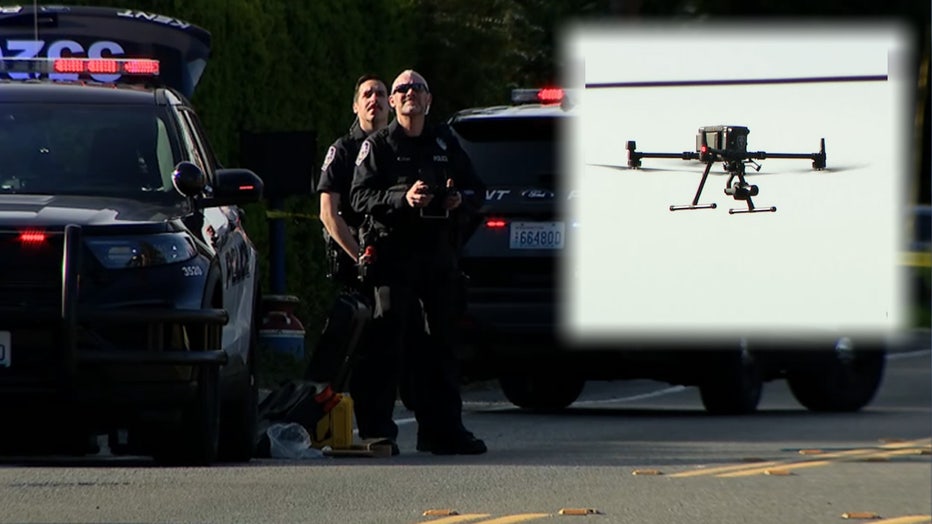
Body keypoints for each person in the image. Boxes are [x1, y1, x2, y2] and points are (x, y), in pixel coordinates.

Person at [350, 69, 487, 455]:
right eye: (402, 89)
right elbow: (358, 197)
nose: (410, 93)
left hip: (437, 255)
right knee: (387, 344)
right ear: (392, 102)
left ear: (429, 100)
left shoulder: (445, 140)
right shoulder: (378, 144)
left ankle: (443, 430)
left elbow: (478, 189)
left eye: (418, 88)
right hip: (394, 255)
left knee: (443, 345)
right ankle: (378, 431)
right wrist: (402, 198)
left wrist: (457, 198)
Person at [304, 74, 389, 416]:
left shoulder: (398, 147)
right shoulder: (343, 150)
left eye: (381, 94)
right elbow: (328, 213)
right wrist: (359, 257)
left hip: (393, 264)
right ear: (356, 105)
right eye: (367, 94)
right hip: (357, 268)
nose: (375, 99)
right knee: (350, 346)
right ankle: (323, 415)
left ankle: (377, 422)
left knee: (387, 350)